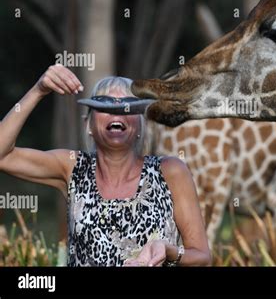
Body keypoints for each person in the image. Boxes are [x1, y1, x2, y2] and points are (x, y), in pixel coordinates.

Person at [0, 64, 211, 266]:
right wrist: (39, 89)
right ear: (88, 125)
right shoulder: (73, 168)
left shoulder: (170, 171)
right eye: (105, 104)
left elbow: (202, 256)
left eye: (127, 106)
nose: (117, 112)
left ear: (140, 125)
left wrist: (170, 251)